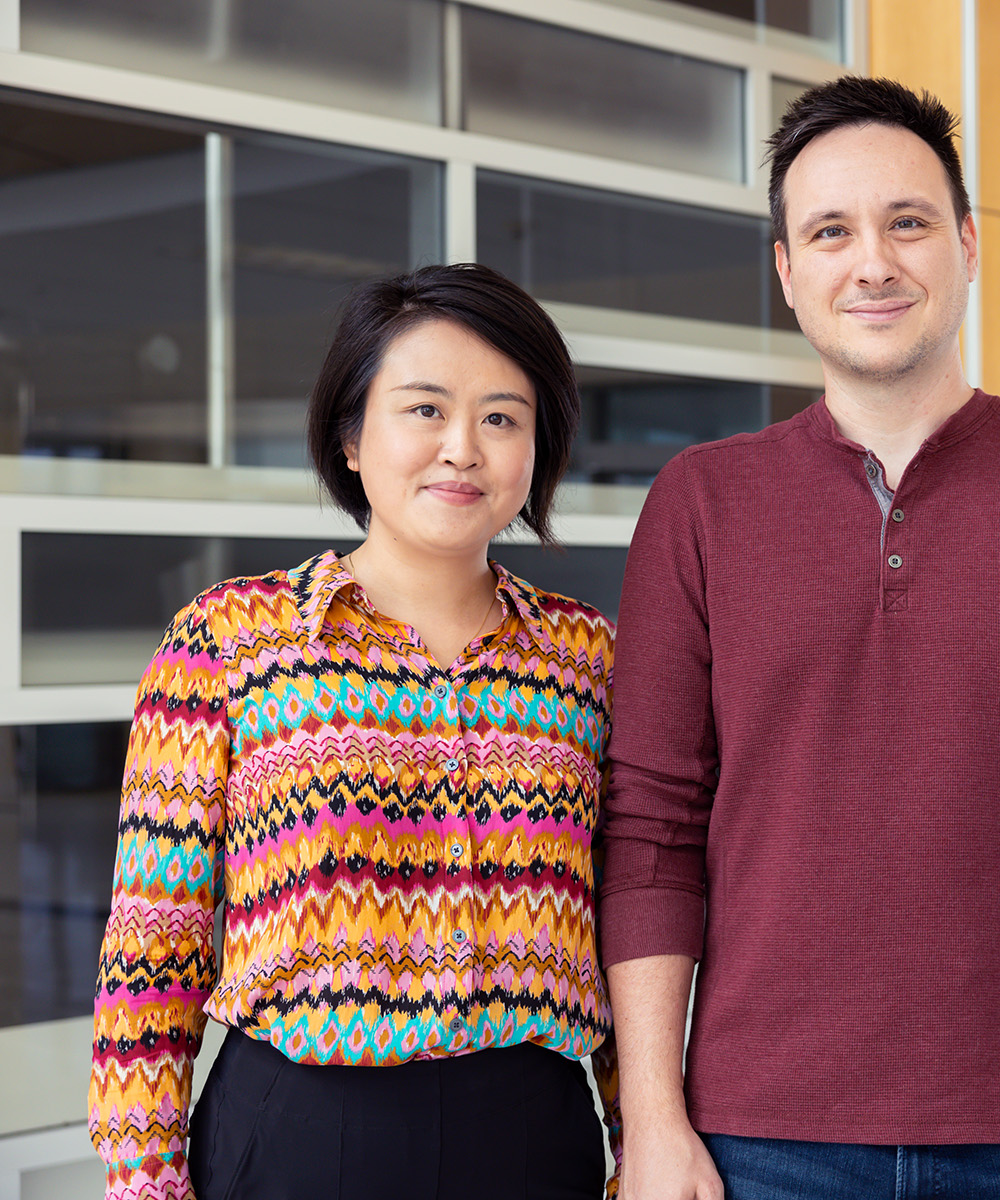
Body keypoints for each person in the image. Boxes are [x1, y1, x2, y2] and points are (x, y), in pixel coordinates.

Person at [601, 77, 1000, 1200]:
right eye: (830, 231)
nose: (871, 263)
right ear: (788, 272)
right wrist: (651, 1116)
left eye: (907, 222)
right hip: (752, 1136)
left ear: (967, 245)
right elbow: (650, 823)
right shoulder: (701, 503)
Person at [89, 263, 620, 1200]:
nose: (462, 448)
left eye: (502, 418)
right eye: (424, 409)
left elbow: (625, 925)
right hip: (298, 1137)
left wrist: (644, 1131)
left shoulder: (589, 659)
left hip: (533, 1138)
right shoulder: (229, 640)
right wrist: (142, 1178)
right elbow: (154, 941)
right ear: (349, 437)